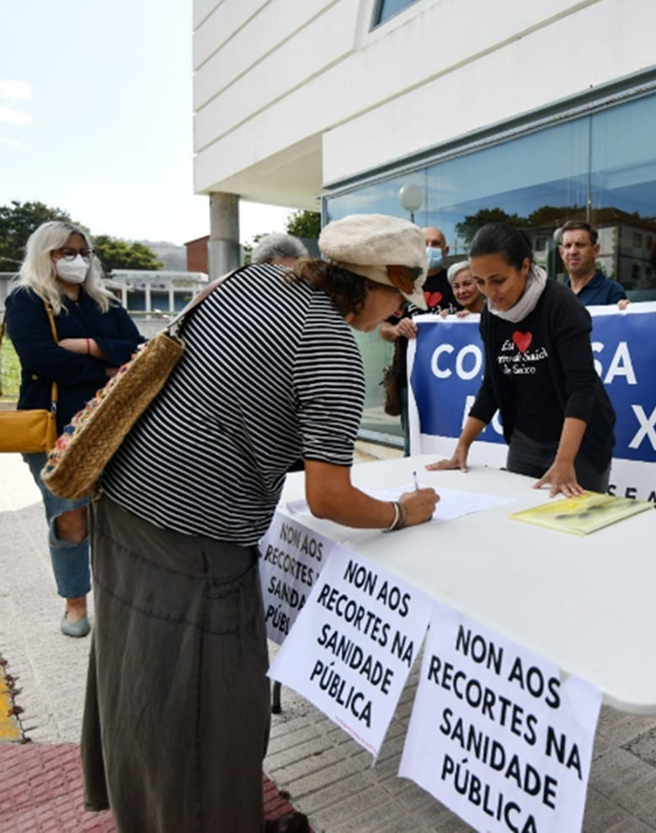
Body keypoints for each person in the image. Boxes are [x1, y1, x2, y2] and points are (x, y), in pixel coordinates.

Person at [81, 214, 440, 831]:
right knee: (214, 709)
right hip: (195, 538)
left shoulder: (246, 281)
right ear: (386, 280)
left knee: (134, 673)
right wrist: (401, 512)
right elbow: (330, 497)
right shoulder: (330, 344)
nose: (390, 314)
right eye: (398, 297)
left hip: (120, 500)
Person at [4, 221, 144, 638]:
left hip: (113, 422)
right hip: (54, 426)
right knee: (68, 516)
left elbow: (138, 350)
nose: (77, 260)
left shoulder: (104, 302)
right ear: (45, 254)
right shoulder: (28, 300)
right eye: (65, 252)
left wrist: (84, 347)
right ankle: (75, 602)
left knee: (119, 516)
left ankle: (119, 598)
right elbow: (41, 358)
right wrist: (105, 366)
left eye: (83, 252)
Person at [428, 222, 616, 496]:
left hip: (578, 445)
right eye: (480, 282)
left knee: (574, 528)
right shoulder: (491, 315)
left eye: (498, 280)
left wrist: (564, 462)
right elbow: (492, 385)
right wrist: (462, 447)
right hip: (525, 439)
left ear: (525, 267)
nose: (490, 293)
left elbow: (581, 386)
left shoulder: (561, 305)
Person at [378, 226, 459, 454]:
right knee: (414, 444)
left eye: (435, 244)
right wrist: (397, 330)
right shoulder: (403, 285)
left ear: (446, 250)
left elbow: (475, 316)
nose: (429, 249)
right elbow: (383, 328)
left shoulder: (456, 284)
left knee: (450, 441)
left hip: (453, 380)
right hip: (412, 379)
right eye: (424, 244)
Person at [558, 220, 627, 305]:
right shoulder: (558, 295)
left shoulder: (612, 292)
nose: (572, 251)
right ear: (561, 252)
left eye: (580, 245)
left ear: (595, 250)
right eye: (568, 246)